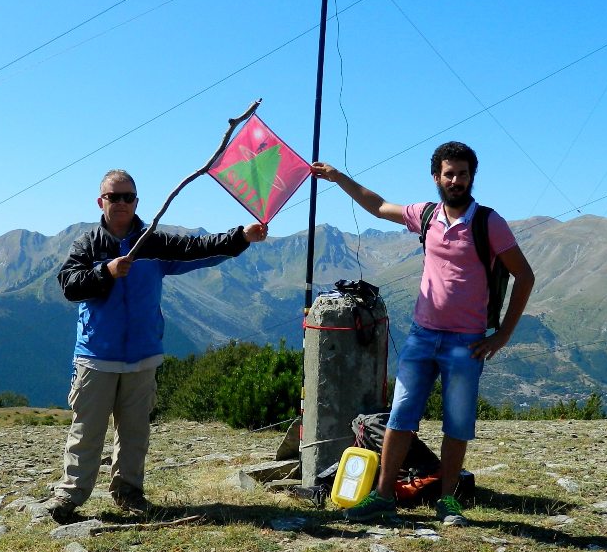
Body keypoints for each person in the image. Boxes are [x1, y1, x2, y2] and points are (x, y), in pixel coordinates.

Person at [311, 141, 534, 526]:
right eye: (449, 174)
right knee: (400, 416)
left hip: (466, 342)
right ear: (436, 177)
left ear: (472, 177)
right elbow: (378, 206)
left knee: (457, 424)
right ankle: (383, 497)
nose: (456, 181)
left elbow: (524, 276)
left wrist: (502, 336)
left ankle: (447, 501)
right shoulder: (427, 215)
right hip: (422, 336)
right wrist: (338, 177)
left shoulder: (489, 223)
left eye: (462, 174)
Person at [40, 169, 267, 523]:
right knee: (86, 432)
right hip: (96, 356)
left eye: (128, 197)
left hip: (142, 356)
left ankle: (129, 494)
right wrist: (106, 271)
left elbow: (198, 249)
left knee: (135, 433)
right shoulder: (87, 245)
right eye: (114, 197)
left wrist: (241, 236)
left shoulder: (153, 242)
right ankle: (69, 496)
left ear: (136, 202)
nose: (121, 203)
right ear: (100, 202)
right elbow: (70, 286)